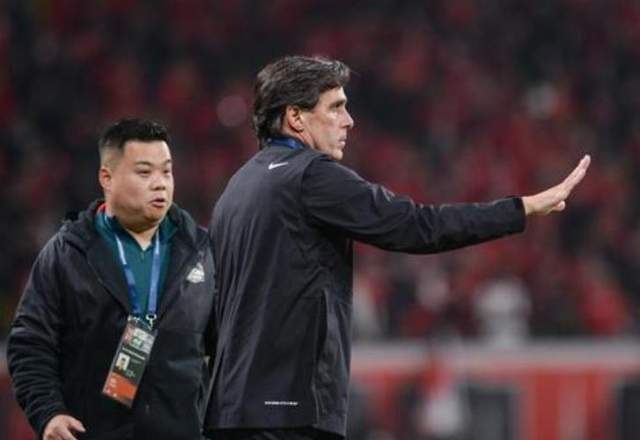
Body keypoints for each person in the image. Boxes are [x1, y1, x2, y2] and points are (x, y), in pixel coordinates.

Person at [204, 56, 590, 440]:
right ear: (295, 117)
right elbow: (416, 226)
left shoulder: (235, 191)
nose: (348, 120)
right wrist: (520, 209)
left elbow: (213, 308)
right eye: (335, 107)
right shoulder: (311, 176)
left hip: (229, 411)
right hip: (288, 411)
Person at [7, 118, 216, 440]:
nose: (160, 183)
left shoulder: (201, 251)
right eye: (144, 173)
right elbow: (30, 344)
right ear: (107, 177)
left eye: (167, 171)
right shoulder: (68, 254)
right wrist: (48, 413)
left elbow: (229, 345)